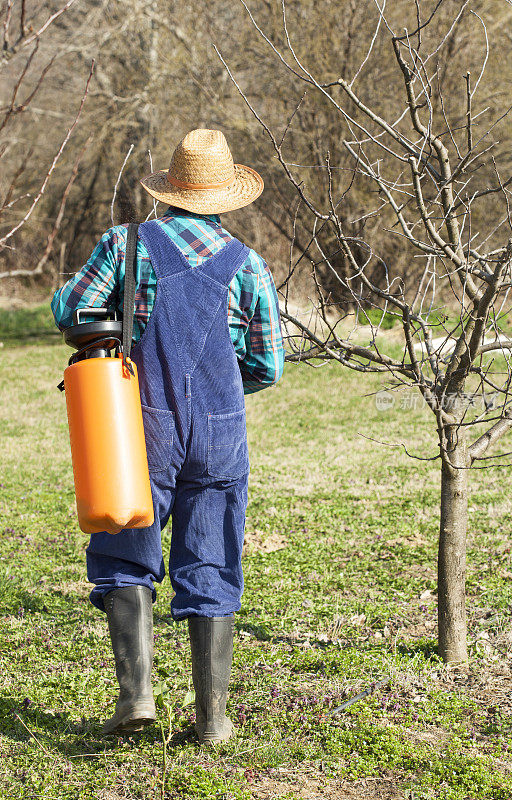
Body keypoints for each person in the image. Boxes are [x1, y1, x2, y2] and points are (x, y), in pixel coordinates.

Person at [51, 129, 284, 743]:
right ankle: (212, 721)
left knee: (126, 551)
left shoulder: (128, 247)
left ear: (171, 193)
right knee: (211, 560)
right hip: (220, 433)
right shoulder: (249, 264)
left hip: (137, 427)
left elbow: (71, 309)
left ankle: (137, 702)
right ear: (226, 198)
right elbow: (267, 364)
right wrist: (221, 395)